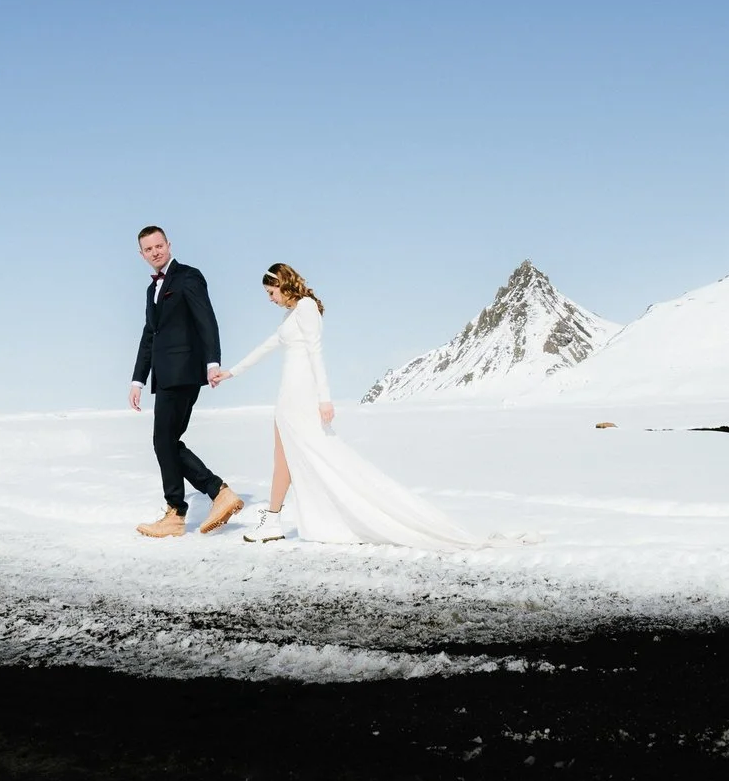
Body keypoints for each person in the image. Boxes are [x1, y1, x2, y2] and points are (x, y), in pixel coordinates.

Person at [216, 263, 483, 550]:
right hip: (288, 393)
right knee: (282, 457)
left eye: (272, 292)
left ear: (283, 284)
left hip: (301, 393)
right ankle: (273, 520)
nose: (270, 298)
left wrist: (324, 398)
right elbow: (266, 347)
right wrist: (232, 372)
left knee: (315, 455)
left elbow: (316, 352)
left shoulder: (306, 308)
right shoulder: (290, 316)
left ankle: (277, 520)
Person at [128, 226, 243, 538]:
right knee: (167, 442)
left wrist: (212, 362)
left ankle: (183, 509)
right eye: (148, 249)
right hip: (164, 376)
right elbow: (149, 335)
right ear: (141, 255)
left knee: (163, 441)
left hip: (184, 372)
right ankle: (212, 495)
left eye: (159, 245)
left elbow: (206, 318)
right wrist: (138, 379)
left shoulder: (188, 276)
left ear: (168, 244)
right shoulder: (151, 290)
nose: (155, 252)